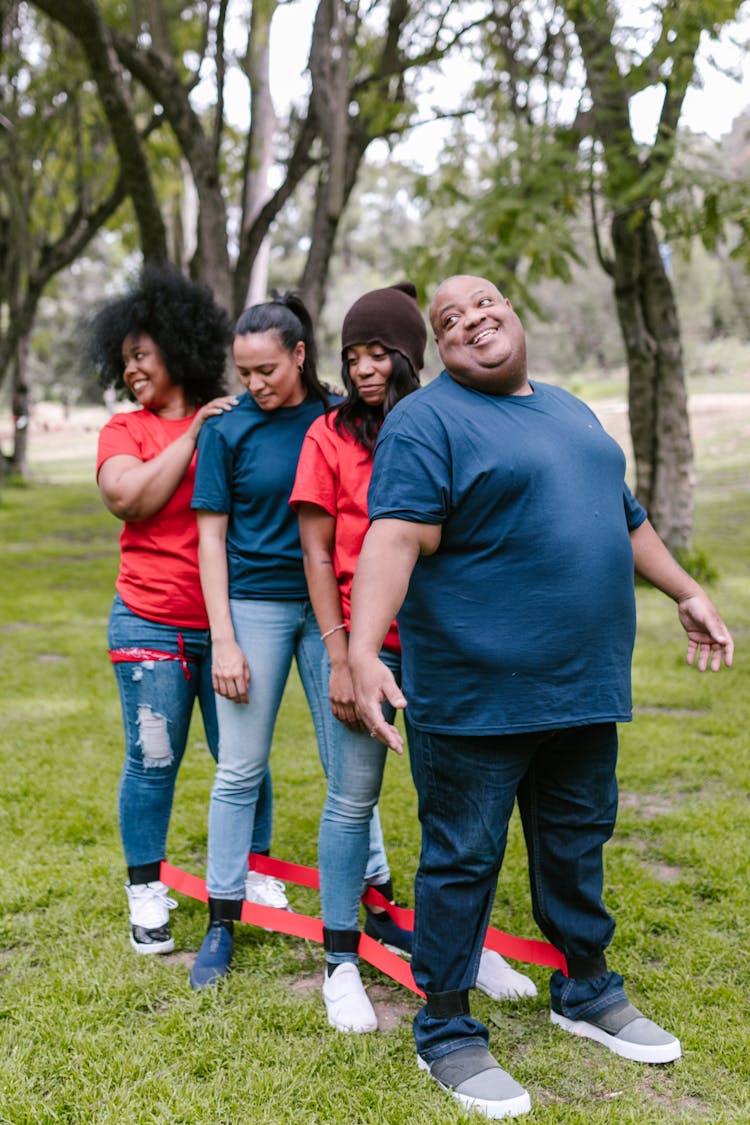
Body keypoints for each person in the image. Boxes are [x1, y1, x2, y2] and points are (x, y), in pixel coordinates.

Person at [348, 274, 734, 1119]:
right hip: (475, 692)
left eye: (482, 303)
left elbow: (624, 516)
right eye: (448, 320)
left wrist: (685, 590)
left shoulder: (570, 413)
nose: (470, 320)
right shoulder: (427, 420)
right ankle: (446, 1029)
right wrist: (362, 649)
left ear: (512, 311)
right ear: (439, 347)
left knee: (576, 841)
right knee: (462, 857)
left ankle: (587, 989)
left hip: (583, 686)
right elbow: (395, 534)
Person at [290, 282, 537, 1034]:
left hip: (444, 646)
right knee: (352, 798)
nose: (365, 368)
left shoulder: (451, 418)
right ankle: (339, 961)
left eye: (379, 353)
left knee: (464, 811)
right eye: (353, 355)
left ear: (409, 354)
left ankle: (462, 950)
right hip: (354, 644)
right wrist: (339, 656)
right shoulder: (326, 437)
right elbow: (317, 551)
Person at [188, 291, 407, 989]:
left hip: (335, 609)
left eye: (267, 369)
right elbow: (210, 537)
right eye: (243, 371)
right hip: (255, 604)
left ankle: (375, 896)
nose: (253, 384)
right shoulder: (227, 430)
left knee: (349, 763)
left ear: (301, 355)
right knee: (239, 768)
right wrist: (224, 638)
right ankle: (223, 915)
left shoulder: (340, 415)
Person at [92, 264, 276, 957]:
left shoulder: (231, 419)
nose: (132, 368)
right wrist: (192, 431)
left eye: (142, 353)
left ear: (177, 346)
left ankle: (255, 873)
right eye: (125, 359)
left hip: (233, 622)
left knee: (241, 754)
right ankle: (146, 890)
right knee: (154, 757)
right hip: (149, 619)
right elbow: (129, 497)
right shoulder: (126, 429)